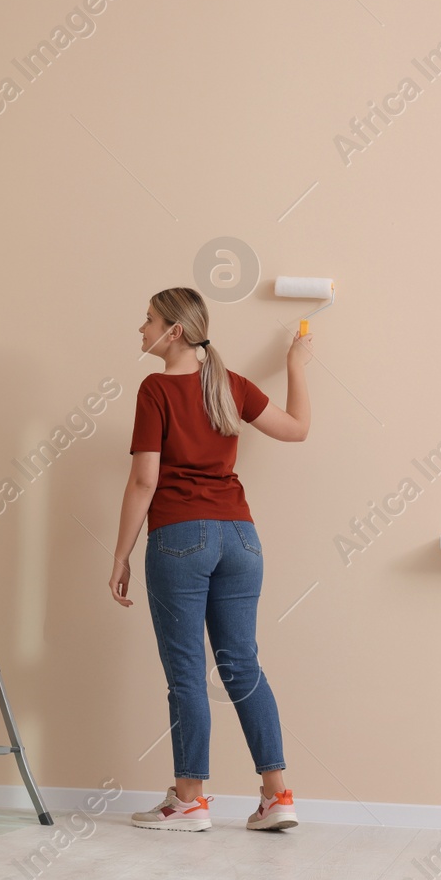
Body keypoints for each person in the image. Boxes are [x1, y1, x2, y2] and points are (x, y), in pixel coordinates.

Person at [109, 286, 311, 832]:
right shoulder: (230, 384)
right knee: (242, 665)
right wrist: (296, 363)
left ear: (175, 331)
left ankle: (190, 800)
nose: (142, 329)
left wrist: (121, 553)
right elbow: (298, 429)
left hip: (180, 539)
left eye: (148, 320)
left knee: (187, 674)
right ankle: (278, 797)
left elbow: (144, 479)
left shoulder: (155, 388)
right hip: (242, 539)